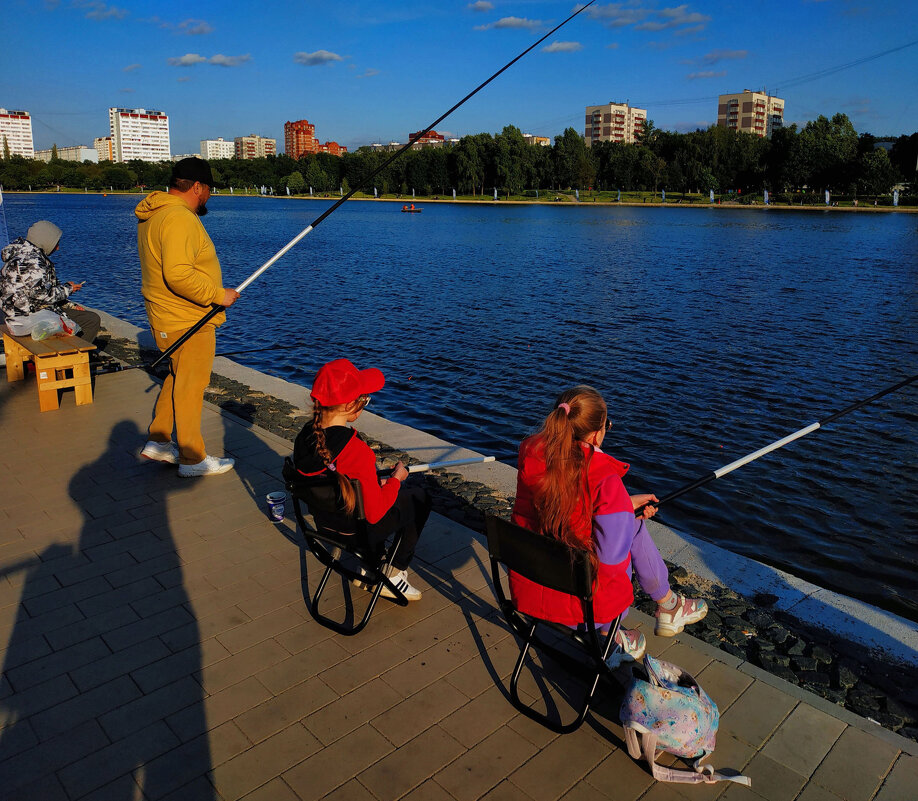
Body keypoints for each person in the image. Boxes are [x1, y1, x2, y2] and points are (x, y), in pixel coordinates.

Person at [511, 385, 708, 661]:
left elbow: (570, 510)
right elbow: (610, 565)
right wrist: (624, 517)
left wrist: (624, 507)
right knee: (634, 529)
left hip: (532, 586)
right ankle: (620, 631)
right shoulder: (604, 478)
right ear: (596, 434)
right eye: (608, 425)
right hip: (581, 604)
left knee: (628, 522)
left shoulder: (534, 458)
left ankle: (665, 607)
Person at [292, 358, 431, 601]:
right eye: (364, 399)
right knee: (419, 498)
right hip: (357, 532)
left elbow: (341, 480)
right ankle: (394, 573)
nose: (365, 403)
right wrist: (396, 480)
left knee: (382, 491)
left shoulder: (304, 439)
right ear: (348, 405)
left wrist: (375, 484)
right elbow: (375, 513)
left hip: (324, 526)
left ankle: (371, 562)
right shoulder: (356, 451)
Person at [136, 158, 240, 477]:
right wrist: (217, 294)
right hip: (187, 320)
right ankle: (192, 458)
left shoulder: (155, 213)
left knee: (178, 378)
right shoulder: (179, 217)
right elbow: (178, 274)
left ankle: (159, 440)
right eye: (208, 189)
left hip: (165, 316)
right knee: (191, 386)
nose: (209, 196)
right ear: (197, 187)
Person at [0, 220, 101, 343]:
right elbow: (41, 295)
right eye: (55, 243)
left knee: (77, 315)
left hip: (14, 311)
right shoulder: (32, 261)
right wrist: (68, 289)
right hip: (25, 317)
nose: (57, 248)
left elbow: (36, 292)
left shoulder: (20, 253)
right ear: (44, 240)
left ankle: (72, 350)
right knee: (92, 320)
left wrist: (70, 304)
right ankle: (73, 354)